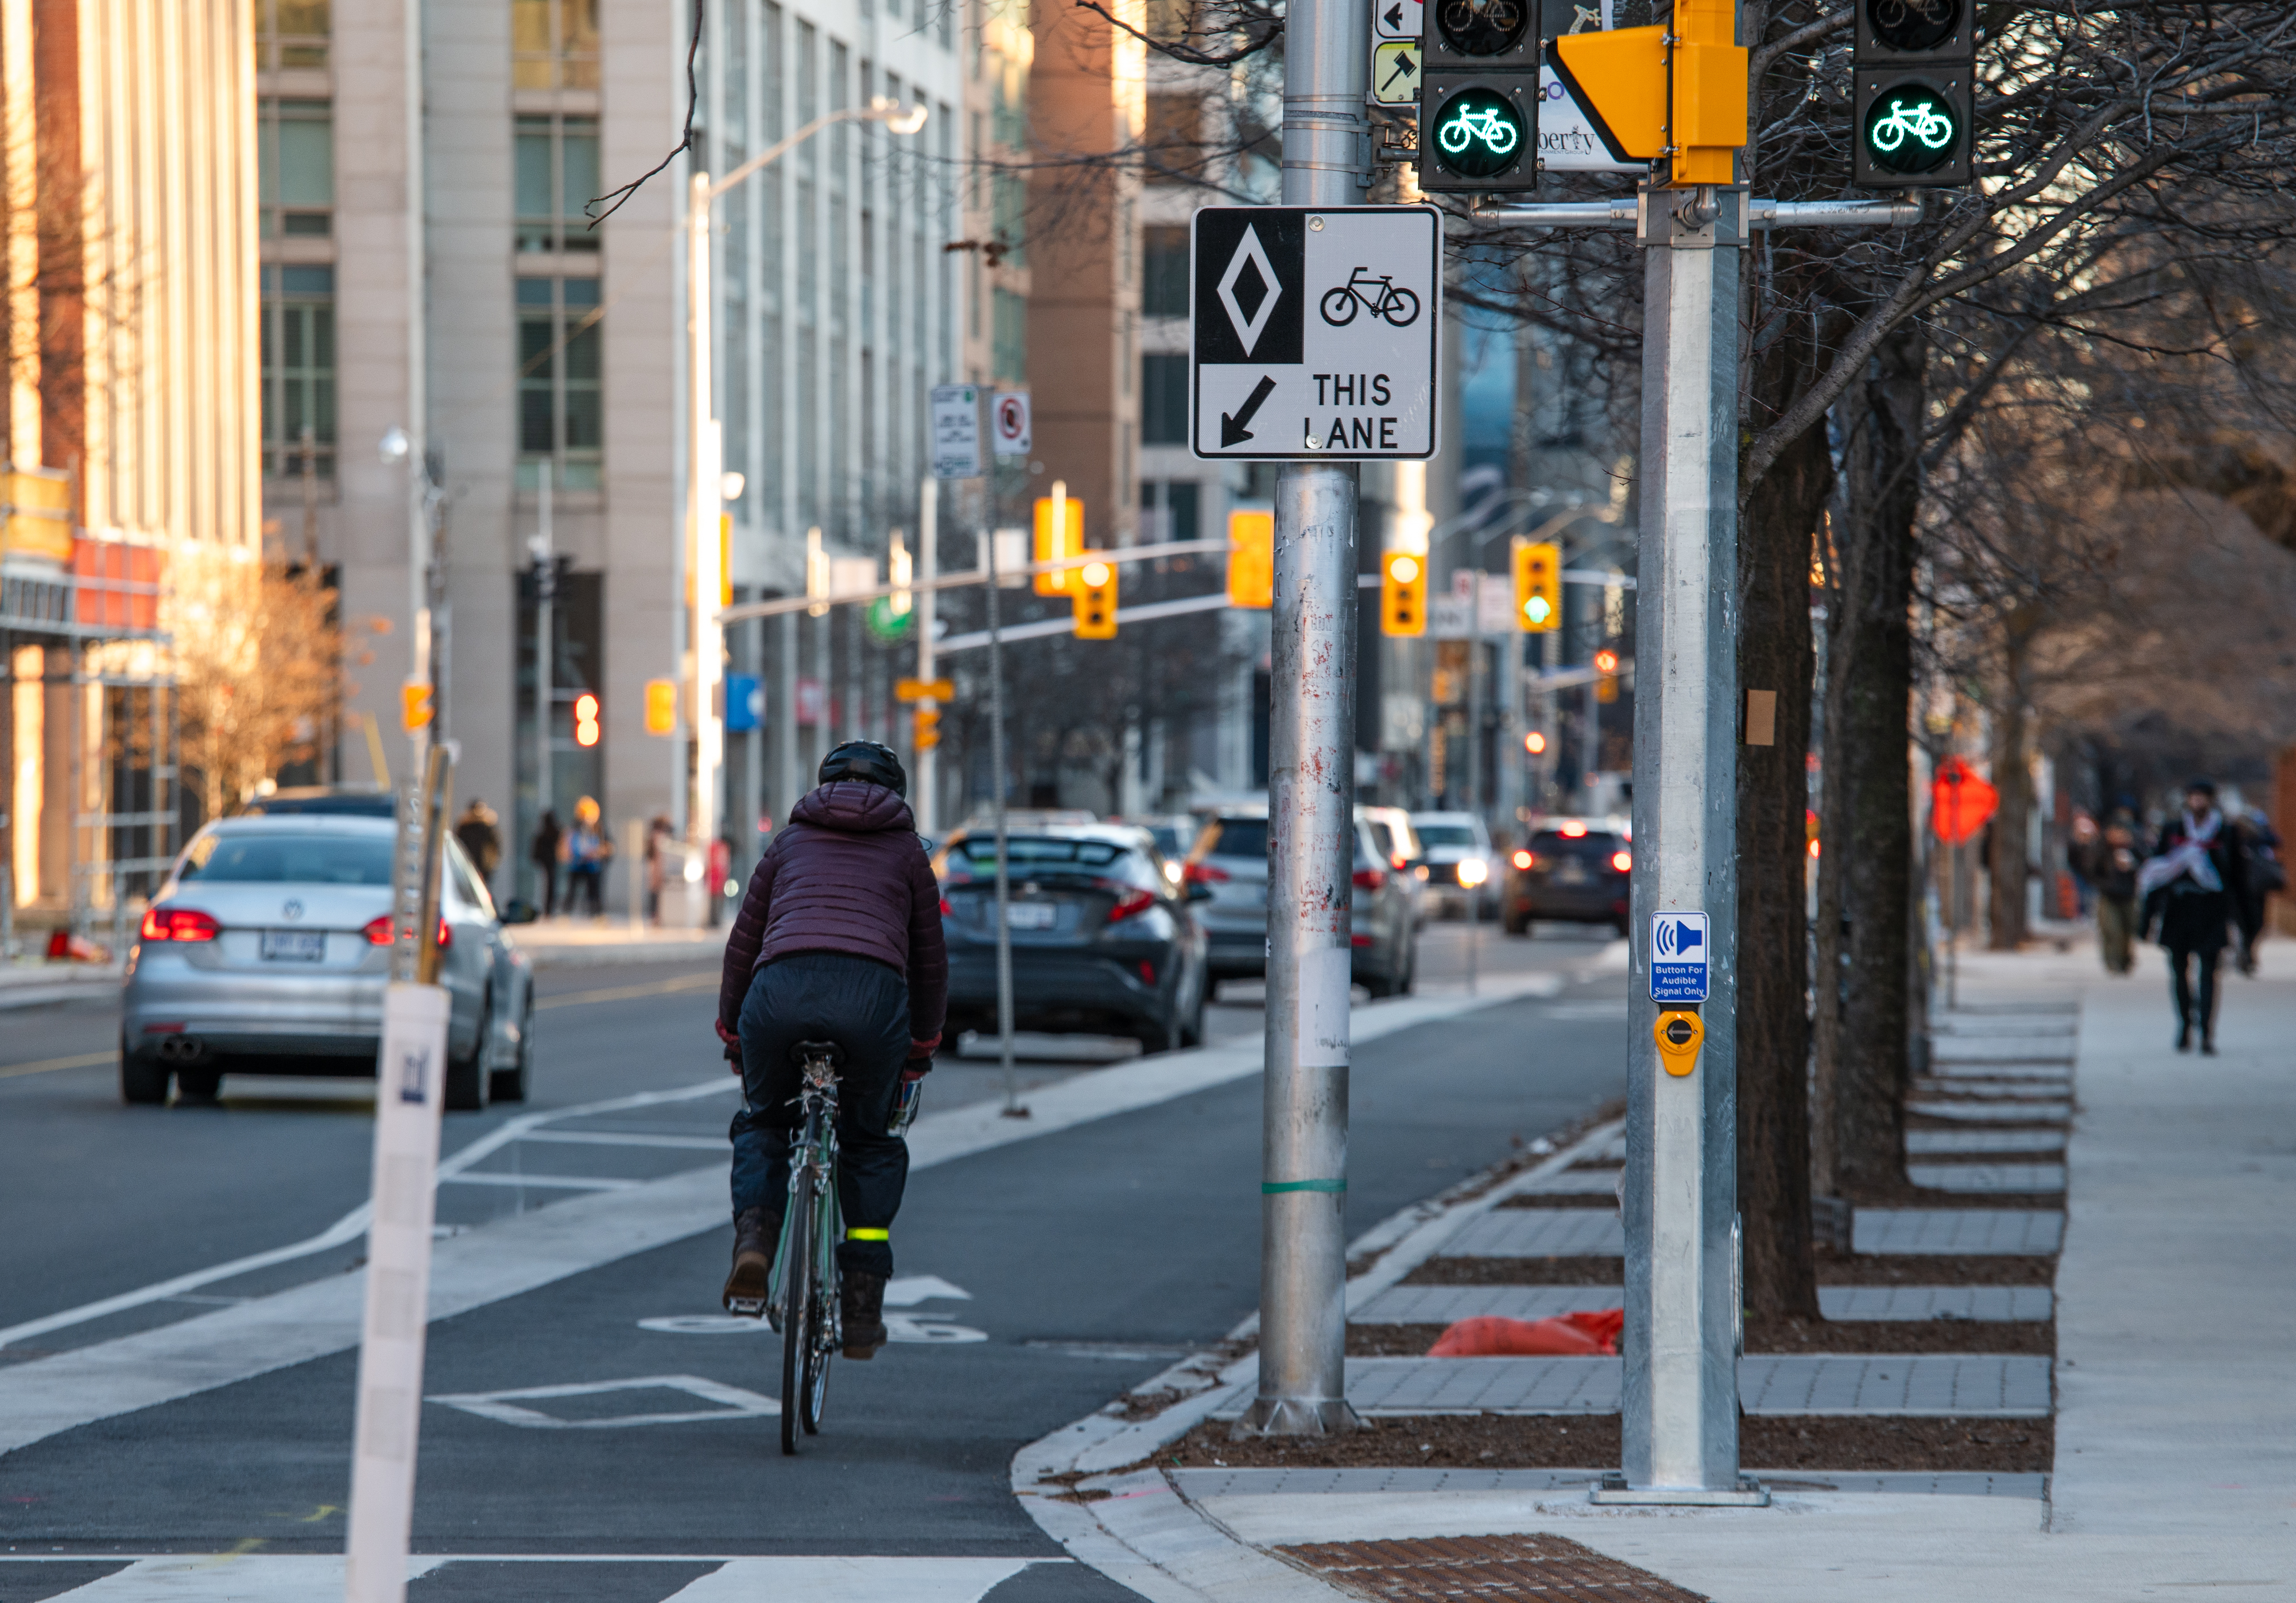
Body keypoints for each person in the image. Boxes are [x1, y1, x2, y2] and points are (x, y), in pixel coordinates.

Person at [715, 740, 946, 1360]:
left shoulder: (788, 844)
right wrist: (919, 1047)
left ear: (823, 786)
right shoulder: (906, 852)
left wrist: (733, 1032)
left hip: (778, 994)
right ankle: (862, 1309)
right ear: (896, 794)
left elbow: (744, 944)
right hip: (872, 1004)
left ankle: (756, 1241)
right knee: (869, 1144)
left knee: (764, 1121)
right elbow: (928, 964)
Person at [2138, 779, 2249, 1054]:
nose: (2197, 802)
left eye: (2203, 797)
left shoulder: (2226, 834)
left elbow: (2238, 880)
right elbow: (2157, 875)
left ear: (2211, 801)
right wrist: (2147, 919)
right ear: (2187, 800)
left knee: (2210, 973)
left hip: (2211, 910)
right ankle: (2185, 1024)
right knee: (2178, 972)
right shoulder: (2173, 831)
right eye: (2193, 797)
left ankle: (2208, 1033)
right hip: (2179, 909)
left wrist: (2244, 923)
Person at [2075, 810, 2142, 975]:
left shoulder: (2135, 848)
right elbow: (2090, 871)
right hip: (2108, 895)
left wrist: (2133, 866)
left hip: (2129, 894)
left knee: (2128, 929)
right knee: (2111, 929)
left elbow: (2147, 864)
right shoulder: (2101, 849)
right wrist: (2105, 884)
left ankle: (2125, 959)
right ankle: (2112, 962)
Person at [2232, 806, 2285, 976]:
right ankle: (2245, 954)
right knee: (2242, 923)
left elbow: (2277, 841)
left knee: (2258, 923)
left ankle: (2247, 951)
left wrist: (2258, 833)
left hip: (2258, 888)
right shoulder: (2235, 838)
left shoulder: (2261, 838)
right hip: (2240, 889)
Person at [562, 797, 611, 918]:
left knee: (594, 892)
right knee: (572, 891)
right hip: (577, 864)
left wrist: (598, 852)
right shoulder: (574, 828)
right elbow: (569, 844)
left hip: (592, 865)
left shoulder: (599, 829)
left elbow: (607, 846)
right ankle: (566, 913)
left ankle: (597, 914)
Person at [453, 799, 503, 895]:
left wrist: (491, 865)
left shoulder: (488, 827)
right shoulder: (464, 826)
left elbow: (495, 849)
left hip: (482, 866)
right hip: (467, 865)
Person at [530, 809, 563, 916]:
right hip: (549, 862)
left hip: (547, 862)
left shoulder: (545, 832)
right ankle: (548, 909)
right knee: (550, 885)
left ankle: (548, 909)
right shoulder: (553, 832)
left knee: (549, 885)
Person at [643, 813, 673, 925]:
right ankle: (655, 916)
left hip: (658, 867)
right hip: (656, 868)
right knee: (656, 894)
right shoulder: (657, 836)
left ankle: (657, 916)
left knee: (657, 893)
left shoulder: (657, 836)